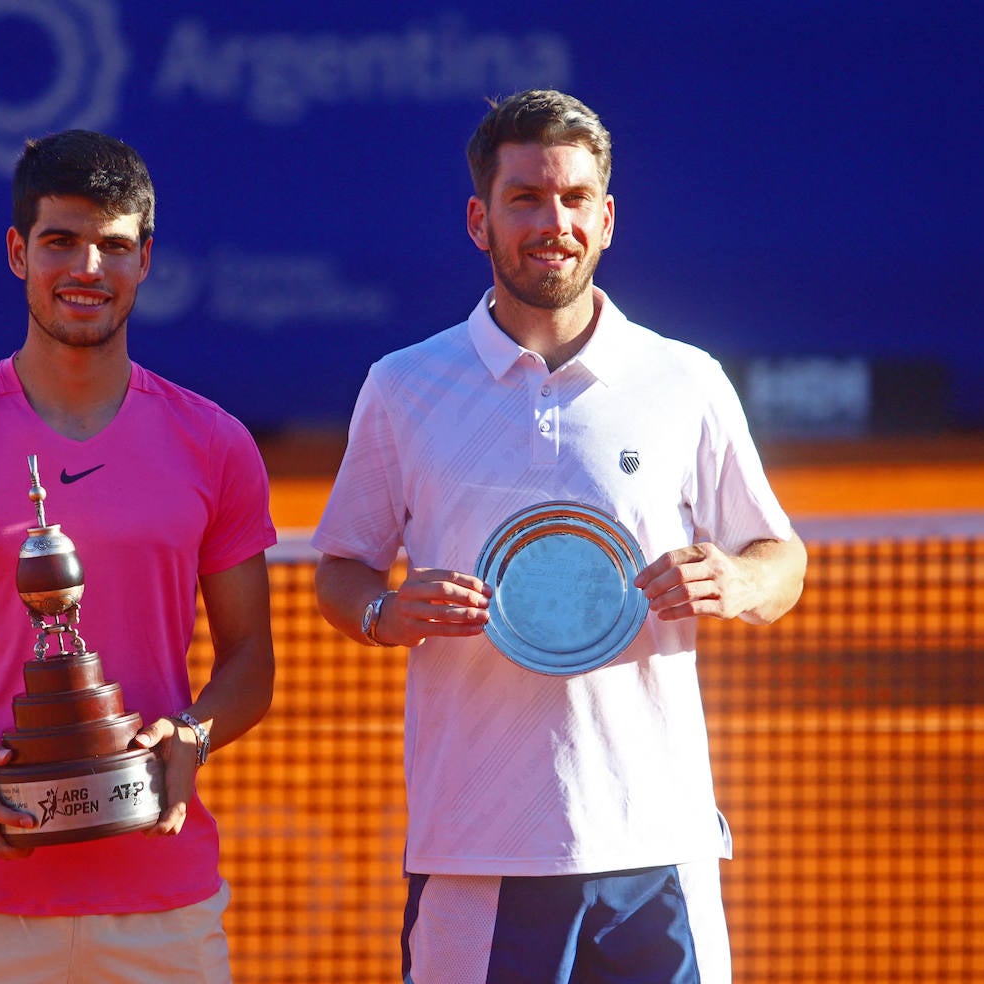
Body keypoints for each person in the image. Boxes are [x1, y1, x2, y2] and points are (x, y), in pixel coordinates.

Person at [312, 89, 807, 984]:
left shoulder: (685, 380)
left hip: (659, 845)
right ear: (480, 219)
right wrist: (385, 608)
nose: (554, 222)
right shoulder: (401, 387)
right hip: (478, 849)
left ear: (606, 218)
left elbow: (782, 561)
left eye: (575, 199)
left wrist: (736, 579)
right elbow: (341, 568)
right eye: (526, 199)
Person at [0, 129, 276, 983]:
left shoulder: (215, 446)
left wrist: (193, 734)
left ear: (146, 258)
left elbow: (250, 656)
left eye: (113, 245)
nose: (88, 269)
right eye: (61, 241)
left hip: (162, 908)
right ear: (16, 252)